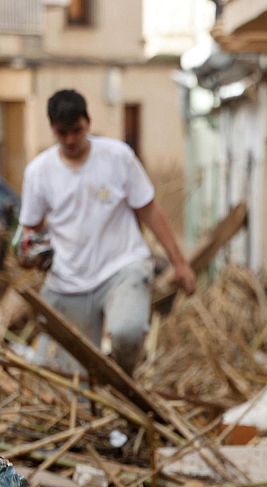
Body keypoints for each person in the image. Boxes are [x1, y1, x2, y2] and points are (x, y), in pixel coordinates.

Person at [19, 89, 194, 373]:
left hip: (121, 267)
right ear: (52, 129)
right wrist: (29, 251)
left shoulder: (117, 157)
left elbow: (148, 210)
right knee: (67, 371)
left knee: (128, 332)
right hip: (68, 281)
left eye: (77, 130)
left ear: (88, 121)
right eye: (63, 133)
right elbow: (31, 229)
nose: (71, 140)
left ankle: (124, 377)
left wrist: (180, 263)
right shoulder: (39, 172)